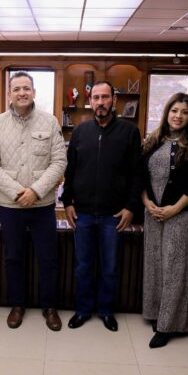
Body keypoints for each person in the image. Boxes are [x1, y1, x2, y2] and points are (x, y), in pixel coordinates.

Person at [0, 71, 67, 331]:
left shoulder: (50, 121)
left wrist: (36, 191)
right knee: (13, 257)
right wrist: (19, 192)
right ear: (9, 94)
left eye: (26, 88)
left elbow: (59, 162)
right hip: (9, 205)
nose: (22, 93)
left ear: (34, 92)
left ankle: (49, 307)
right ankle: (17, 305)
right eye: (17, 89)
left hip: (42, 205)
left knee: (48, 258)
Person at [61, 81, 141, 332]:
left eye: (105, 97)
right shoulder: (80, 131)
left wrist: (130, 207)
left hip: (113, 215)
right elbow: (71, 171)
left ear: (113, 100)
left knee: (110, 267)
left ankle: (106, 311)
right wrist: (67, 201)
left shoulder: (129, 132)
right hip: (83, 213)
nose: (100, 102)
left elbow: (137, 174)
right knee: (83, 266)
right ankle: (83, 310)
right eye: (96, 98)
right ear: (90, 102)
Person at [140, 93, 188, 348]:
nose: (178, 116)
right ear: (167, 112)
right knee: (154, 265)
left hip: (182, 215)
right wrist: (147, 202)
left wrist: (174, 209)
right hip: (153, 213)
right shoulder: (154, 139)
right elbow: (140, 174)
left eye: (184, 112)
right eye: (174, 110)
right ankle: (154, 312)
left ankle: (169, 325)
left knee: (175, 269)